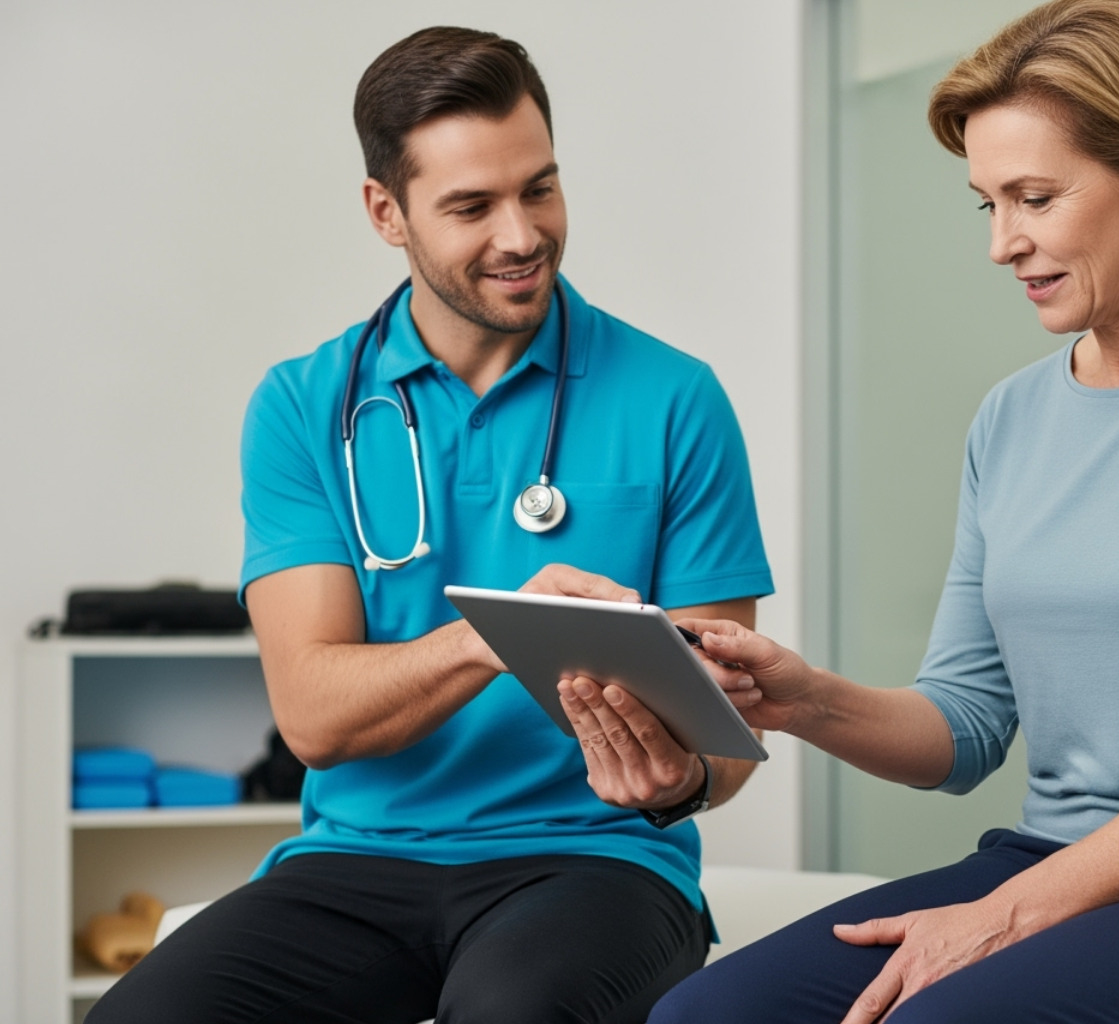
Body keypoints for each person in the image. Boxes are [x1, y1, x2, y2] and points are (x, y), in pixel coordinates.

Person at [649, 1, 1119, 1022]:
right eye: (988, 205)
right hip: (1071, 863)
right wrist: (804, 700)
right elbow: (968, 724)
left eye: (1034, 197)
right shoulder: (1014, 415)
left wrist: (1006, 915)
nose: (1003, 244)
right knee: (705, 1015)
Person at [88, 26, 773, 1024]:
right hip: (358, 861)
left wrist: (681, 778)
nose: (522, 233)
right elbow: (315, 715)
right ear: (386, 212)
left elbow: (730, 742)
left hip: (598, 860)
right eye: (471, 206)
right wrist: (497, 634)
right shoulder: (303, 406)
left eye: (539, 187)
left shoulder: (675, 400)